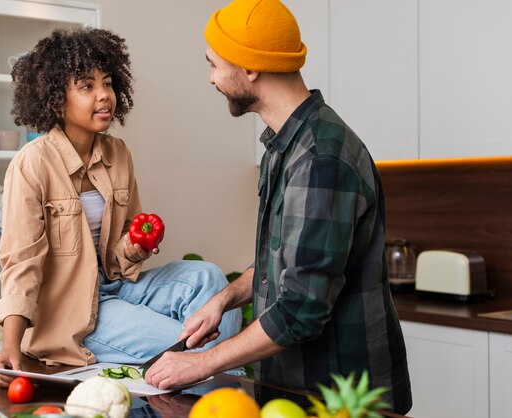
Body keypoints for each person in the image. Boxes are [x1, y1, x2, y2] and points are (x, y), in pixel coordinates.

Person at [144, 0, 412, 414]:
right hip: (293, 390)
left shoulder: (321, 158)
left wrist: (200, 365)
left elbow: (301, 308)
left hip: (339, 399)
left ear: (250, 67)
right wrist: (223, 299)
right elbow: (283, 258)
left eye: (214, 64)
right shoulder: (284, 145)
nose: (211, 78)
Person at [0, 27, 241, 387]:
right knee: (193, 353)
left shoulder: (118, 153)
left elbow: (123, 243)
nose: (104, 95)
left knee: (211, 279)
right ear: (55, 98)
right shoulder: (32, 164)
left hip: (117, 287)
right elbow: (21, 262)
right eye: (86, 86)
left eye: (107, 83)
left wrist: (132, 247)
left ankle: (218, 379)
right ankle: (227, 386)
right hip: (74, 312)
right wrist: (10, 344)